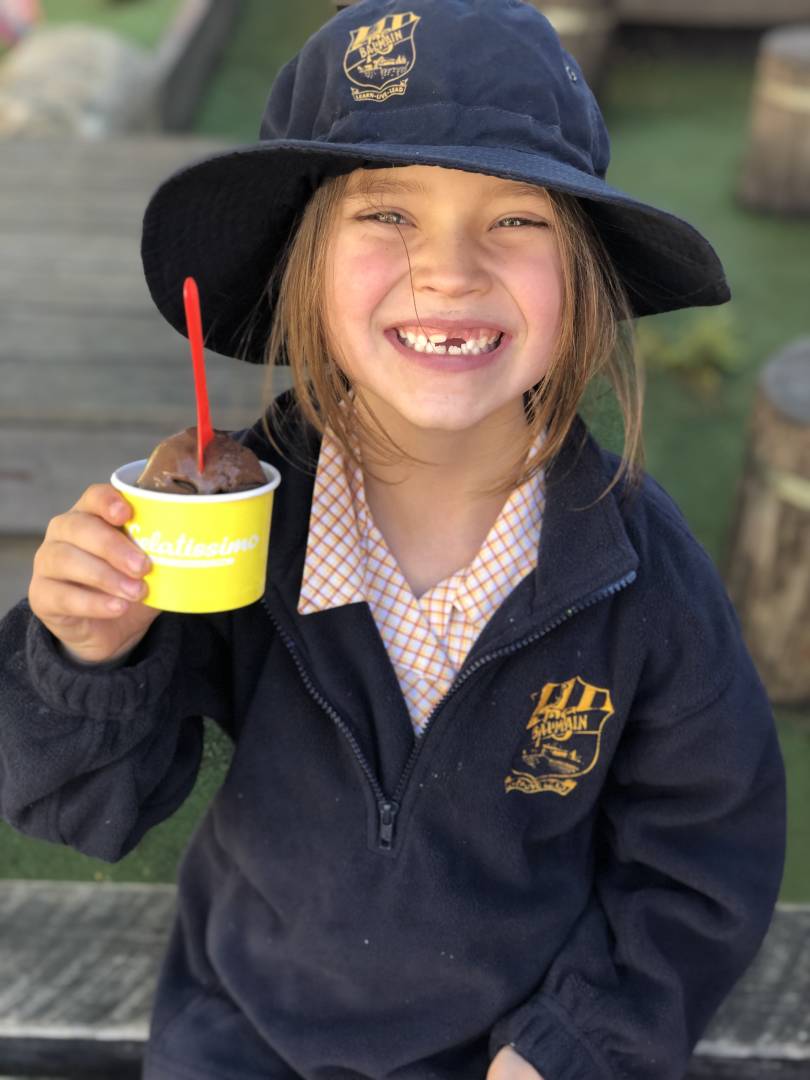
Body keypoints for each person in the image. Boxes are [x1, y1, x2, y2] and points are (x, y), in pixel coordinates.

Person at [0, 2, 786, 1078]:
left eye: (517, 219)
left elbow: (705, 861)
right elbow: (81, 808)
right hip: (243, 1039)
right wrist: (88, 656)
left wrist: (575, 1045)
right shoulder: (238, 523)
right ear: (305, 268)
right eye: (386, 214)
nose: (450, 270)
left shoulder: (644, 579)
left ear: (585, 277)